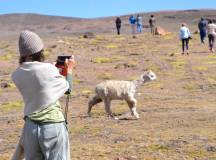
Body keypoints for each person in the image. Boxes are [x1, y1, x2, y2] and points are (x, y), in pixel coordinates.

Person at [11, 30, 75, 160]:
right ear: (40, 51)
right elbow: (67, 89)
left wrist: (51, 71)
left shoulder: (16, 74)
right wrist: (69, 70)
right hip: (53, 127)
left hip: (30, 128)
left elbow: (40, 86)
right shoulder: (48, 69)